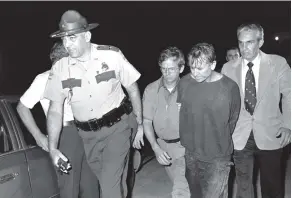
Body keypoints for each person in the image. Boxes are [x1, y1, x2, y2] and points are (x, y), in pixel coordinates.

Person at [43, 10, 144, 198]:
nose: (67, 44)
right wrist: (53, 148)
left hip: (118, 127)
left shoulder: (111, 56)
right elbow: (55, 111)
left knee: (109, 187)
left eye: (72, 38)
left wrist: (140, 124)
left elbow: (132, 89)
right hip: (88, 137)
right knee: (114, 182)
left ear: (87, 36)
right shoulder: (60, 69)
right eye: (64, 39)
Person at [17, 41, 99, 198]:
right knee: (69, 187)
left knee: (91, 186)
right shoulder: (43, 79)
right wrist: (38, 135)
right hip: (64, 136)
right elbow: (22, 107)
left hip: (86, 132)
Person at [221, 23, 291, 198]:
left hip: (271, 133)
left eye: (250, 42)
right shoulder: (228, 68)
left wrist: (288, 125)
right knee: (244, 187)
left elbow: (289, 95)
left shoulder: (278, 63)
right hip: (239, 135)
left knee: (272, 186)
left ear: (261, 42)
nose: (244, 48)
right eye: (241, 43)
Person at [177, 42, 241, 198]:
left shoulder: (229, 87)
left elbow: (232, 119)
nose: (195, 73)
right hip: (191, 153)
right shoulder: (184, 82)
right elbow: (182, 111)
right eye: (192, 67)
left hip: (218, 156)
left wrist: (215, 137)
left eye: (200, 68)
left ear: (213, 64)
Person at [142, 46, 190, 198]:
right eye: (163, 69)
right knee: (178, 184)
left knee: (180, 190)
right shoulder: (151, 90)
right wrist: (156, 148)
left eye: (171, 69)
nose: (167, 73)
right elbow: (147, 121)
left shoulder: (190, 88)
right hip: (163, 147)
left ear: (181, 68)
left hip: (185, 147)